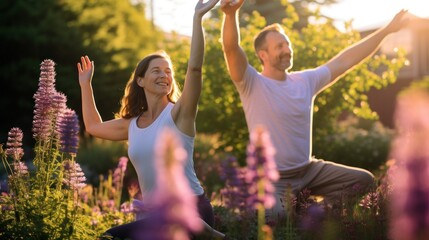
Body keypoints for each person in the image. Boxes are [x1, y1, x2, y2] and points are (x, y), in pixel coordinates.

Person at [219, 0, 409, 220]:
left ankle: (312, 214)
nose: (287, 50)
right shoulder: (252, 84)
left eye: (287, 44)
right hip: (275, 181)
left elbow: (345, 60)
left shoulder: (305, 81)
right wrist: (230, 16)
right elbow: (231, 49)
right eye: (279, 46)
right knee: (275, 218)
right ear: (263, 55)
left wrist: (386, 31)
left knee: (363, 181)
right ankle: (298, 212)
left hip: (310, 171)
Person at [77, 0, 225, 239]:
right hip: (157, 215)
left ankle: (207, 232)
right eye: (156, 70)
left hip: (191, 208)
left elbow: (195, 69)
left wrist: (197, 18)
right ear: (141, 80)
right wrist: (86, 86)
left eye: (168, 71)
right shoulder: (132, 125)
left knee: (111, 236)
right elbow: (93, 127)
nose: (164, 75)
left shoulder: (179, 114)